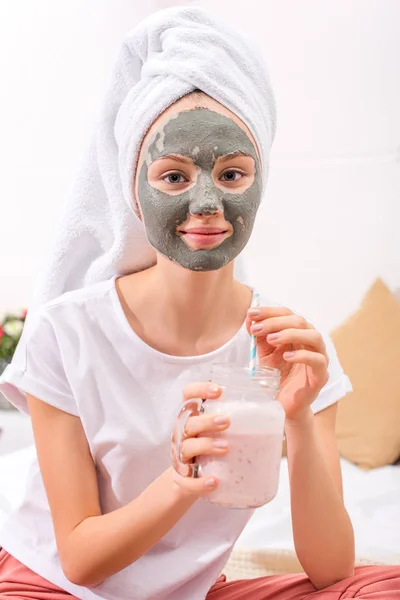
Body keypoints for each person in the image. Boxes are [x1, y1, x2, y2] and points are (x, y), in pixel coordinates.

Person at [0, 6, 399, 600]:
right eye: (174, 177)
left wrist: (297, 418)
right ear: (133, 188)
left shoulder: (289, 348)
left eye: (233, 175)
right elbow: (82, 560)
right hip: (55, 584)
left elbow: (331, 570)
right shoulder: (66, 331)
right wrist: (182, 483)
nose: (208, 202)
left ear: (259, 184)